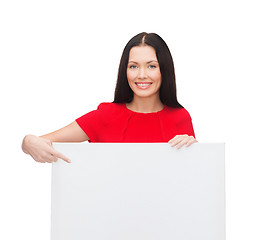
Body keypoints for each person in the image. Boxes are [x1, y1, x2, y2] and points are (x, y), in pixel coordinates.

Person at [22, 32, 197, 164]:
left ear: (164, 70)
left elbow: (191, 178)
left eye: (151, 66)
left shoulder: (180, 117)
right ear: (125, 71)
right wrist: (27, 142)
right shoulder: (106, 115)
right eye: (133, 66)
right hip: (107, 210)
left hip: (164, 211)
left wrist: (196, 151)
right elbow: (41, 141)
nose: (142, 75)